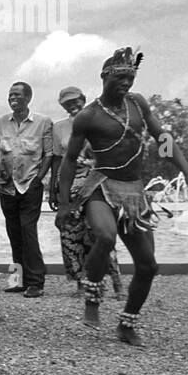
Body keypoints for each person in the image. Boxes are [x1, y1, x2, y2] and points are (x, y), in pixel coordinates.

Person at [56, 48, 188, 346]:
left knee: (148, 266)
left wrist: (187, 171)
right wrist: (64, 203)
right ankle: (92, 295)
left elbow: (162, 138)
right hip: (100, 186)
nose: (126, 82)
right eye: (120, 77)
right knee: (105, 237)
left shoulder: (138, 104)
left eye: (130, 77)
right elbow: (70, 160)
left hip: (134, 193)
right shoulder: (89, 116)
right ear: (104, 77)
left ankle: (126, 324)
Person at [50, 85, 122, 296]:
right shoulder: (59, 127)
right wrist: (55, 191)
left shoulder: (98, 122)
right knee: (71, 235)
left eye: (76, 101)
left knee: (101, 233)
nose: (73, 105)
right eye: (67, 103)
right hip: (69, 184)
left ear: (83, 99)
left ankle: (116, 281)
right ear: (62, 106)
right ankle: (83, 283)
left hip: (97, 183)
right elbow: (57, 159)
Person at [0, 82, 54, 298]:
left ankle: (36, 282)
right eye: (10, 95)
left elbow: (49, 154)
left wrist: (40, 178)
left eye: (17, 94)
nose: (12, 98)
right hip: (7, 187)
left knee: (28, 232)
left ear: (28, 98)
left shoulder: (43, 122)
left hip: (30, 185)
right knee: (13, 233)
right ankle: (17, 280)